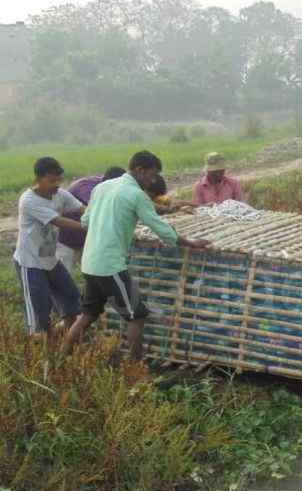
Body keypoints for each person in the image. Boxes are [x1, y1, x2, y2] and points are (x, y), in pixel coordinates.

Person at [63, 151, 210, 362]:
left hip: (89, 262)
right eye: (151, 175)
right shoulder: (135, 194)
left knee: (88, 315)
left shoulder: (102, 188)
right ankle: (134, 367)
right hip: (110, 266)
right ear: (140, 170)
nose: (152, 181)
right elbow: (161, 228)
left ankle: (62, 357)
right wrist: (191, 242)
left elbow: (86, 222)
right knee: (137, 316)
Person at [13, 157, 87, 336]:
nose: (57, 184)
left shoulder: (60, 194)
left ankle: (58, 339)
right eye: (51, 180)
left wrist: (95, 215)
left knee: (72, 303)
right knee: (40, 315)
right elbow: (58, 221)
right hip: (30, 262)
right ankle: (39, 349)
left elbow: (83, 209)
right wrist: (89, 226)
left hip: (49, 257)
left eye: (59, 179)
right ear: (38, 179)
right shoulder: (29, 200)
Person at [56, 166, 125, 272]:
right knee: (63, 275)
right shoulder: (86, 187)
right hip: (67, 240)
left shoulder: (106, 186)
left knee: (89, 273)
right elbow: (97, 210)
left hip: (85, 239)